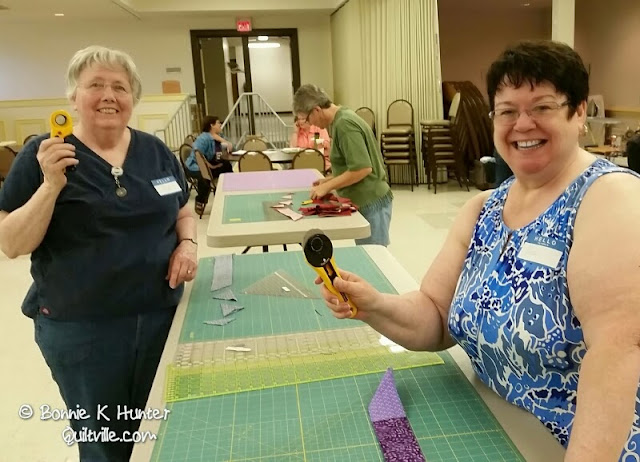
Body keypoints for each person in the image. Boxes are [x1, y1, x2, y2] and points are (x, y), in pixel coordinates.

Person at [314, 40, 640, 460]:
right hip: (501, 425)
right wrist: (373, 305)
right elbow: (436, 316)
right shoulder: (483, 209)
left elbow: (618, 354)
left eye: (542, 107)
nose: (522, 124)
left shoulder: (611, 198)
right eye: (506, 111)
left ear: (578, 113)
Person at [0, 45, 198, 461]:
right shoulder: (43, 155)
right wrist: (51, 186)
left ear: (133, 98)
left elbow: (182, 209)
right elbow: (12, 243)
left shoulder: (155, 151)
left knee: (159, 434)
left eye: (120, 87)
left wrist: (187, 243)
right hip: (84, 332)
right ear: (74, 97)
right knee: (105, 443)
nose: (109, 95)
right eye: (95, 85)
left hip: (161, 319)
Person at [293, 84, 393, 246]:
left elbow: (362, 169)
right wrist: (329, 180)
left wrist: (327, 187)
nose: (310, 124)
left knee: (374, 255)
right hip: (365, 201)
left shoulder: (344, 124)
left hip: (371, 201)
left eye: (308, 118)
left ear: (316, 110)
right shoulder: (341, 118)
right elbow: (352, 165)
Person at [184, 115, 233, 215]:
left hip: (211, 163)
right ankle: (200, 200)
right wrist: (210, 166)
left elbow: (232, 147)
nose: (220, 125)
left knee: (227, 166)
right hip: (195, 166)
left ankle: (226, 194)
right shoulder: (203, 138)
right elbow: (197, 155)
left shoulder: (220, 136)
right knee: (204, 176)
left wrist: (222, 140)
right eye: (218, 123)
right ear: (212, 125)